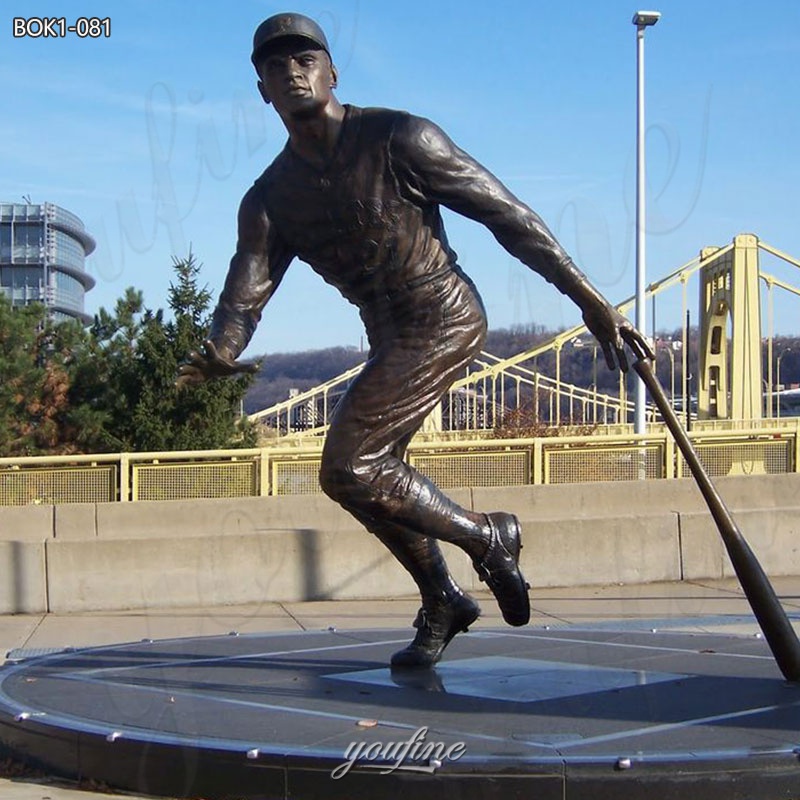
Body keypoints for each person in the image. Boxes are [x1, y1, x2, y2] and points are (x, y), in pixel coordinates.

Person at [178, 13, 653, 668]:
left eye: (305, 58)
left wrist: (592, 302)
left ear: (331, 72)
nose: (292, 71)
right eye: (275, 65)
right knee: (367, 480)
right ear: (261, 90)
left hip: (444, 315)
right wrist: (219, 351)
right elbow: (244, 292)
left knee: (348, 465)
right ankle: (444, 598)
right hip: (387, 335)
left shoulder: (401, 137)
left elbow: (508, 216)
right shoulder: (269, 199)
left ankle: (488, 538)